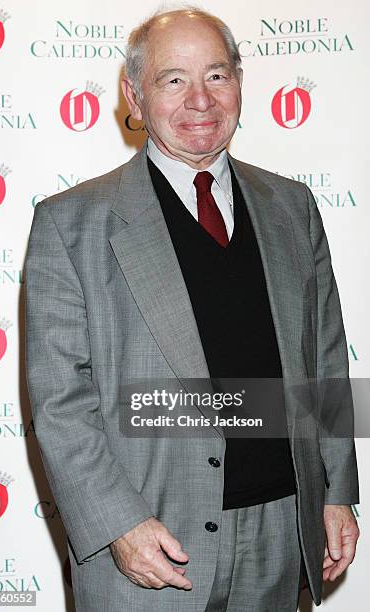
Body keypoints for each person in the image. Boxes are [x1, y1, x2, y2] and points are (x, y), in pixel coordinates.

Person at [25, 6, 360, 612]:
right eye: (172, 79)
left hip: (284, 536)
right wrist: (119, 525)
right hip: (152, 547)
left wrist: (337, 490)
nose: (200, 100)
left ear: (239, 82)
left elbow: (325, 360)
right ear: (135, 94)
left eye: (216, 75)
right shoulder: (70, 223)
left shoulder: (293, 205)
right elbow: (60, 402)